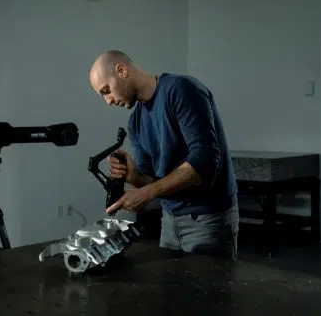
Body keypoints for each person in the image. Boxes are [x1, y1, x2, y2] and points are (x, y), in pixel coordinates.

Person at [88, 50, 239, 260]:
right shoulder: (136, 122)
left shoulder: (181, 90)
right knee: (170, 291)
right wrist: (133, 177)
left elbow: (204, 161)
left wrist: (146, 193)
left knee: (209, 292)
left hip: (207, 220)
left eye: (106, 90)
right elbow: (153, 181)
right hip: (169, 220)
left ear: (121, 71)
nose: (108, 101)